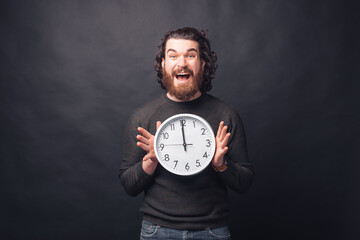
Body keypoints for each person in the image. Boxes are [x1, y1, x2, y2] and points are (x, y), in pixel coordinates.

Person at [119, 27, 254, 240]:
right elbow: (128, 185)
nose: (181, 63)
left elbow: (245, 183)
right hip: (157, 232)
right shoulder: (142, 117)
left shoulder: (226, 114)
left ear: (202, 64)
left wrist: (221, 164)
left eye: (190, 55)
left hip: (212, 231)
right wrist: (152, 161)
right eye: (173, 55)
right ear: (163, 64)